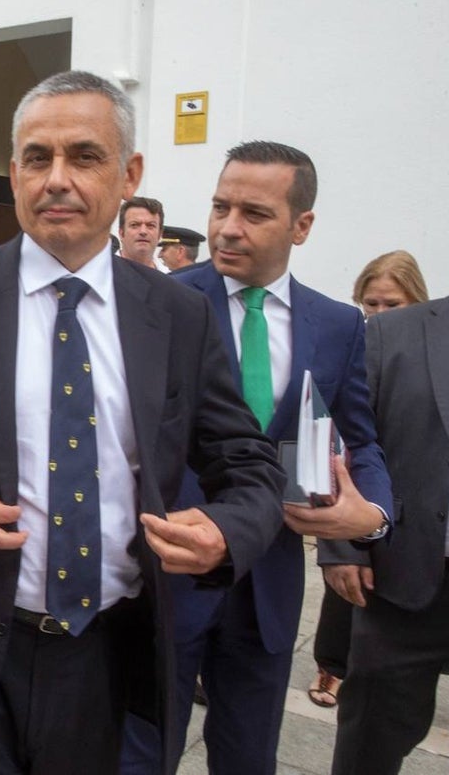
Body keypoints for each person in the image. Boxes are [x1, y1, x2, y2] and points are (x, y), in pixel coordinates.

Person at [0, 72, 286, 775]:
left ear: (129, 173)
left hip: (103, 652)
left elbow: (247, 460)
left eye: (85, 157)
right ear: (13, 174)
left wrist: (227, 531)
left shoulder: (177, 317)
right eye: (38, 158)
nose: (57, 179)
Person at [123, 141, 394, 775]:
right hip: (164, 576)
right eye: (220, 206)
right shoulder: (154, 303)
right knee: (139, 756)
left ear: (302, 225)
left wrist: (371, 514)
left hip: (267, 586)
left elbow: (362, 438)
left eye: (254, 212)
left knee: (248, 759)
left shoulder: (337, 325)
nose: (227, 227)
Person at [329, 290, 449, 774]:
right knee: (370, 740)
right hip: (403, 576)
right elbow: (348, 440)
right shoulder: (393, 331)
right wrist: (343, 546)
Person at [306, 249, 428, 708]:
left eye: (391, 305)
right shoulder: (351, 348)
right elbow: (330, 435)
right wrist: (336, 542)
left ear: (416, 300)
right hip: (353, 497)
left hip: (417, 511)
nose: (378, 315)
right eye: (370, 303)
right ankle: (331, 667)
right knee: (346, 597)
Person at [116, 196, 164, 269]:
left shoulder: (170, 277)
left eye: (150, 225)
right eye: (134, 225)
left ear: (160, 234)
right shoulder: (103, 275)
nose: (143, 231)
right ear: (121, 233)